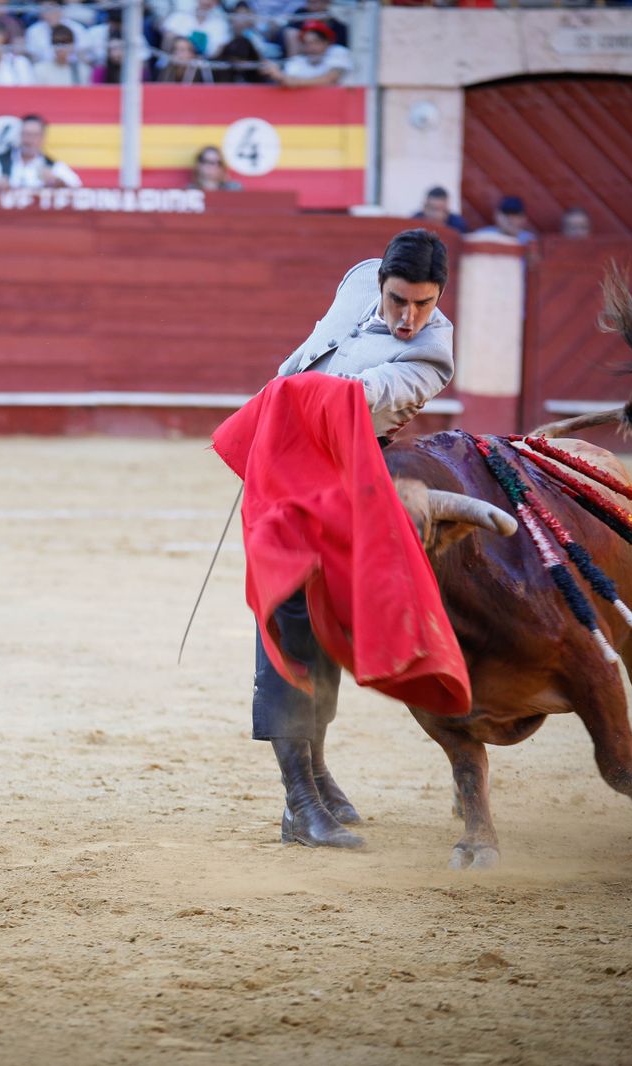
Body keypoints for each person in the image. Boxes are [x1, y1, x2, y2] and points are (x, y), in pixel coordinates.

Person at [257, 229, 455, 849]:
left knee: (322, 630)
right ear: (380, 286)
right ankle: (300, 800)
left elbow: (362, 398)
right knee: (288, 621)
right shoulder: (356, 283)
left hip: (344, 488)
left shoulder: (433, 353)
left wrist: (286, 397)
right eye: (399, 301)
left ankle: (314, 779)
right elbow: (310, 353)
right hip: (284, 476)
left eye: (424, 304)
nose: (409, 317)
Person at [0, 114, 80, 191]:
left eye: (34, 135)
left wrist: (59, 183)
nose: (29, 140)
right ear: (19, 135)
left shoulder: (53, 166)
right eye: (26, 134)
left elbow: (79, 190)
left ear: (42, 138)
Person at [261, 18, 348, 87]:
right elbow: (287, 83)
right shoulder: (297, 61)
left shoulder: (338, 52)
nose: (311, 48)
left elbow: (330, 79)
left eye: (316, 42)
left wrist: (282, 77)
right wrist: (278, 76)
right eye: (306, 43)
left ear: (327, 42)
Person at [22, 0, 85, 65]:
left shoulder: (76, 28)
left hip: (72, 67)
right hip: (44, 68)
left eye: (52, 8)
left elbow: (82, 54)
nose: (50, 13)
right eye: (46, 10)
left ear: (60, 9)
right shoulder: (33, 31)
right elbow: (33, 57)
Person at [162, 0, 229, 59]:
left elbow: (217, 50)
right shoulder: (180, 14)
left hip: (202, 66)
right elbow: (168, 39)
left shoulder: (221, 23)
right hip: (173, 61)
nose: (207, 2)